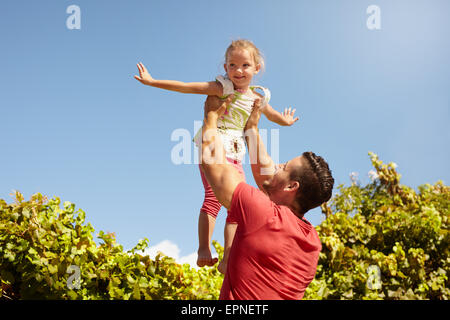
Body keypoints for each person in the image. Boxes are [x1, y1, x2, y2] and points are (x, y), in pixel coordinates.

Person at [134, 39, 299, 270]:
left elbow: (272, 115)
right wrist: (153, 82)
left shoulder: (257, 98)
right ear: (225, 68)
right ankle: (204, 247)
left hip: (236, 151)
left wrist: (286, 121)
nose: (238, 70)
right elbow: (186, 86)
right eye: (232, 65)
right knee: (213, 198)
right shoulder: (222, 88)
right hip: (215, 143)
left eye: (245, 65)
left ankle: (228, 257)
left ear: (256, 68)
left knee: (237, 203)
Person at [200, 95, 334, 300]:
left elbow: (215, 167)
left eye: (284, 166)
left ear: (291, 186)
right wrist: (251, 129)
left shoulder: (263, 214)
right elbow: (268, 178)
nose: (277, 165)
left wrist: (210, 116)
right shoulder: (312, 242)